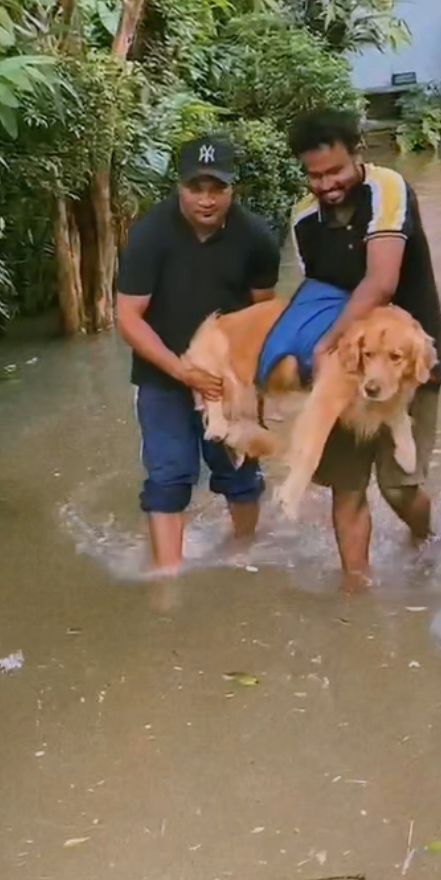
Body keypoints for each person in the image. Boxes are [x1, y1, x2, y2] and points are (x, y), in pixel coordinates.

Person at [286, 109, 441, 582]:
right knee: (347, 487)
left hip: (409, 362)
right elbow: (314, 298)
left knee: (400, 487)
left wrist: (326, 343)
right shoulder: (302, 219)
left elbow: (381, 282)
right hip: (345, 369)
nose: (327, 184)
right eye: (314, 175)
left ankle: (425, 538)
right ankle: (356, 591)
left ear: (357, 154)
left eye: (335, 170)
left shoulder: (388, 190)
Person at [116, 135, 281, 572]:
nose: (206, 200)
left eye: (217, 189)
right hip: (163, 375)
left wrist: (255, 383)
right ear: (179, 187)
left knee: (240, 474)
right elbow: (128, 317)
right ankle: (167, 577)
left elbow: (264, 314)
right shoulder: (150, 235)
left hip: (231, 379)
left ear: (233, 189)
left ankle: (244, 556)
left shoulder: (256, 238)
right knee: (167, 477)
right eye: (196, 188)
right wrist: (183, 372)